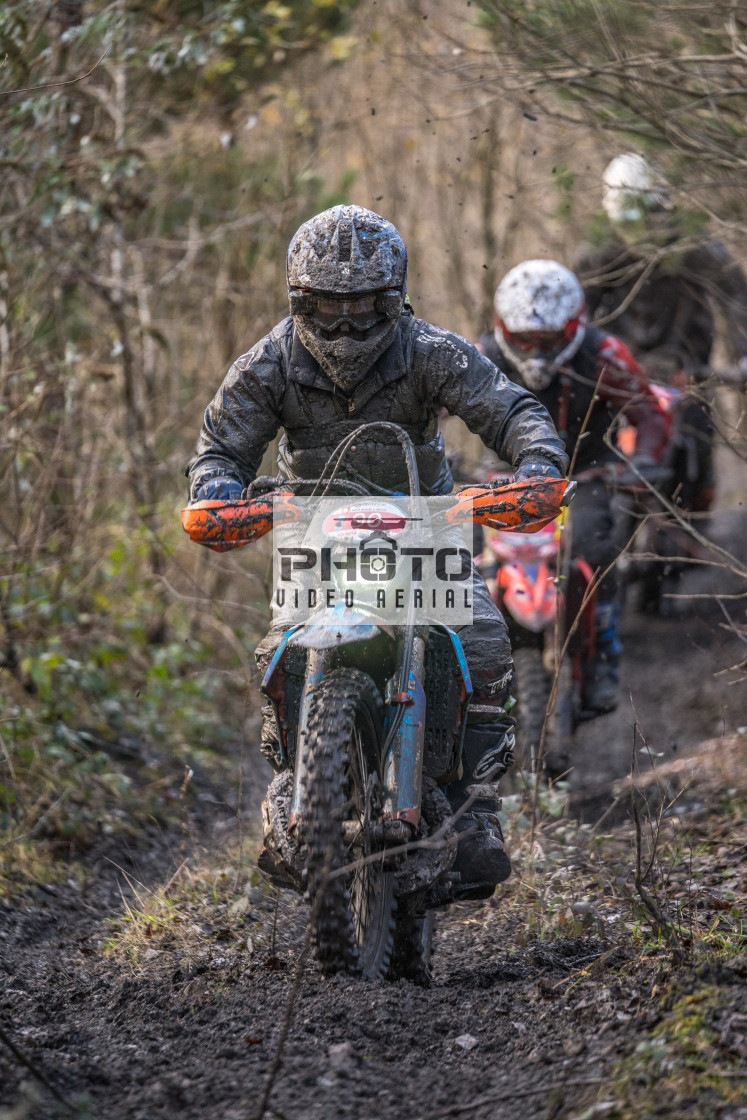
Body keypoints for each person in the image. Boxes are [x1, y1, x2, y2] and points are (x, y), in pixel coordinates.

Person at [186, 205, 569, 897]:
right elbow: (222, 447)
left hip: (425, 521)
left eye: (364, 308)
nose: (344, 325)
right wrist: (218, 490)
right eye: (328, 308)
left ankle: (476, 810)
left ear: (393, 300)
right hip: (314, 528)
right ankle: (293, 784)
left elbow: (509, 407)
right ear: (299, 300)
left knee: (482, 639)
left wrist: (537, 460)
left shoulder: (430, 350)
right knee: (280, 650)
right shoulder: (268, 362)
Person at [477, 259, 670, 715]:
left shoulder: (604, 354)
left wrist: (641, 460)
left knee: (592, 549)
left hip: (587, 473)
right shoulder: (480, 355)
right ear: (503, 327)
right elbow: (435, 405)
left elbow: (649, 411)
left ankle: (604, 652)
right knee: (460, 557)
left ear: (573, 327)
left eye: (546, 339)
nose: (535, 350)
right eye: (525, 339)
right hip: (503, 476)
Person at [576, 152, 747, 515]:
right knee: (586, 439)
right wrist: (576, 356)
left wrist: (742, 354)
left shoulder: (690, 242)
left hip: (684, 370)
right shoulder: (601, 249)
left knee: (699, 445)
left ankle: (696, 512)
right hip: (620, 370)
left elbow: (734, 293)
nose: (636, 230)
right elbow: (578, 306)